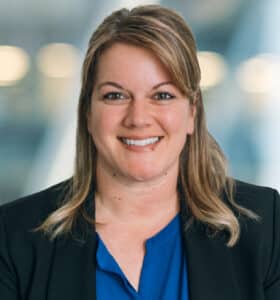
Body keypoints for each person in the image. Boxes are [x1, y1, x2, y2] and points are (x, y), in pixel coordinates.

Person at [0, 4, 279, 300]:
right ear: (87, 114)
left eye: (162, 95)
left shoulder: (265, 225)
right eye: (115, 95)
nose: (138, 118)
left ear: (192, 112)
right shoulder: (14, 235)